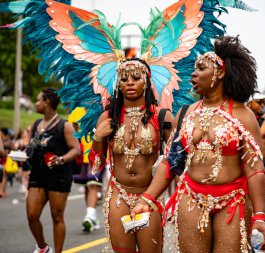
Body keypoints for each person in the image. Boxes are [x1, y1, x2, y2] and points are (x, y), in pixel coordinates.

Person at [132, 36, 265, 253]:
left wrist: (260, 216)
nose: (193, 74)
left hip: (232, 202)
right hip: (191, 198)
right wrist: (147, 198)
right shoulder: (186, 113)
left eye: (201, 68)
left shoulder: (243, 115)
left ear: (221, 72)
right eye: (194, 69)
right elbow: (171, 162)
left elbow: (254, 170)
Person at [90, 58, 174, 252]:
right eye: (124, 78)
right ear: (117, 84)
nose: (129, 82)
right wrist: (97, 138)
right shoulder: (108, 117)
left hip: (149, 195)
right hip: (118, 194)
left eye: (136, 78)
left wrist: (176, 200)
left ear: (146, 82)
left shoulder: (162, 117)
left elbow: (175, 163)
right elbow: (96, 165)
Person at [26, 88, 81, 253]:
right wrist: (22, 155)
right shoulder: (37, 125)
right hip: (38, 174)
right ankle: (43, 247)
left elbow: (76, 149)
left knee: (57, 217)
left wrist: (61, 159)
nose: (36, 103)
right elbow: (31, 148)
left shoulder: (64, 125)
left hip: (59, 176)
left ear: (46, 102)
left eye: (38, 100)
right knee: (32, 215)